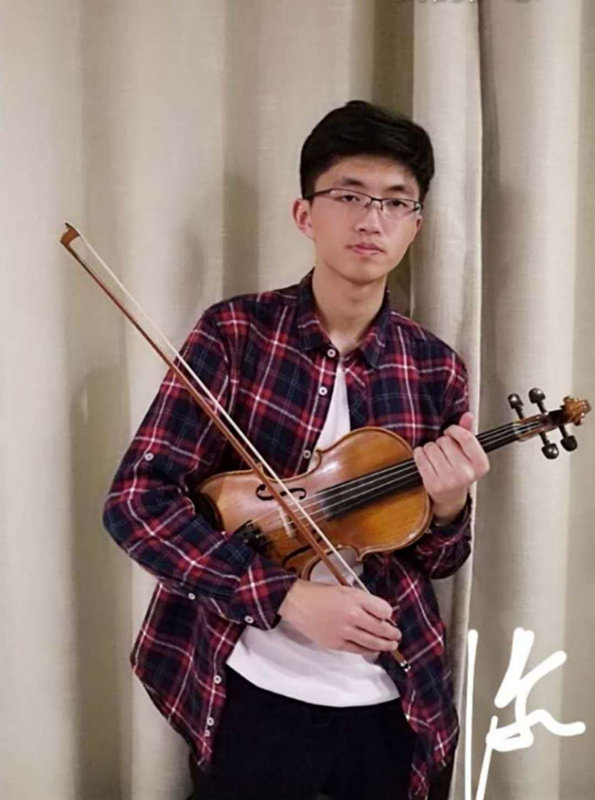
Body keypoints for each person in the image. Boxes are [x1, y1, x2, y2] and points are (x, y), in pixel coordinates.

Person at [103, 100, 489, 800]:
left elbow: (439, 559)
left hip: (391, 694)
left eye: (395, 202)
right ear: (305, 214)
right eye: (349, 195)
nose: (370, 219)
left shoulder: (435, 367)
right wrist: (283, 597)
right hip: (247, 686)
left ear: (416, 226)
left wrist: (448, 505)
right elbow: (136, 503)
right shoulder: (234, 333)